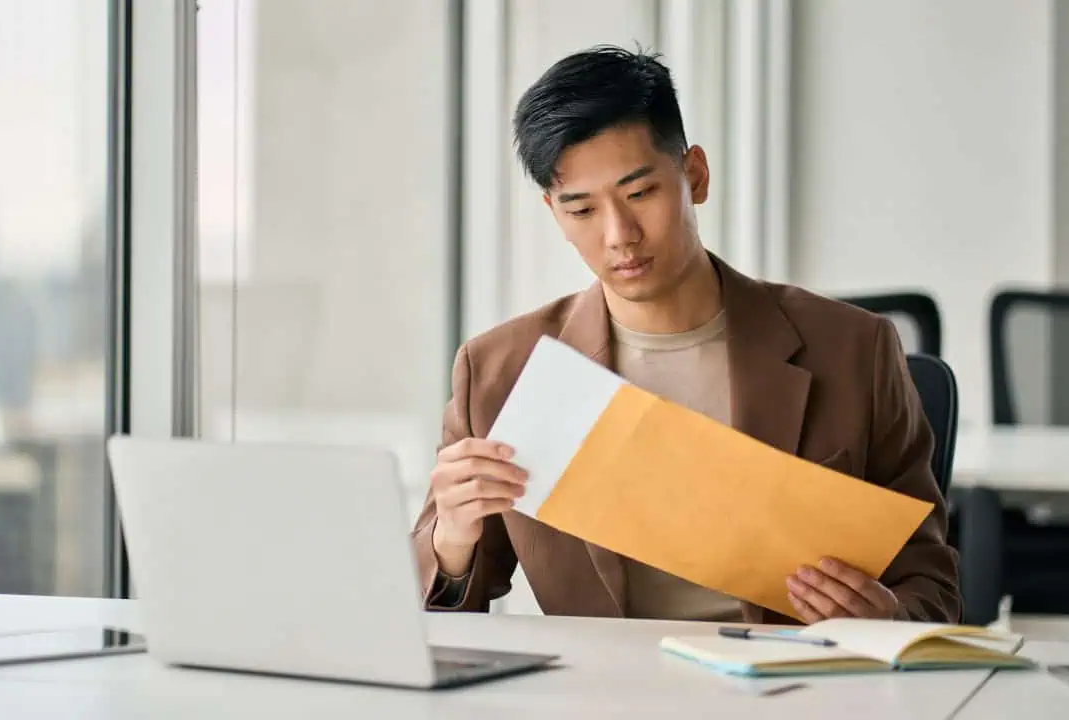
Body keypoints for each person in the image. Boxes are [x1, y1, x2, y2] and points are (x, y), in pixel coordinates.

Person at [411, 46, 960, 624]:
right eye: (582, 211)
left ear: (694, 175)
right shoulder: (500, 371)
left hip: (796, 694)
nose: (619, 234)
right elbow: (446, 613)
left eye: (641, 193)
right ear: (554, 213)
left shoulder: (854, 349)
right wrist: (451, 544)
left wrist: (889, 618)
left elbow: (933, 584)